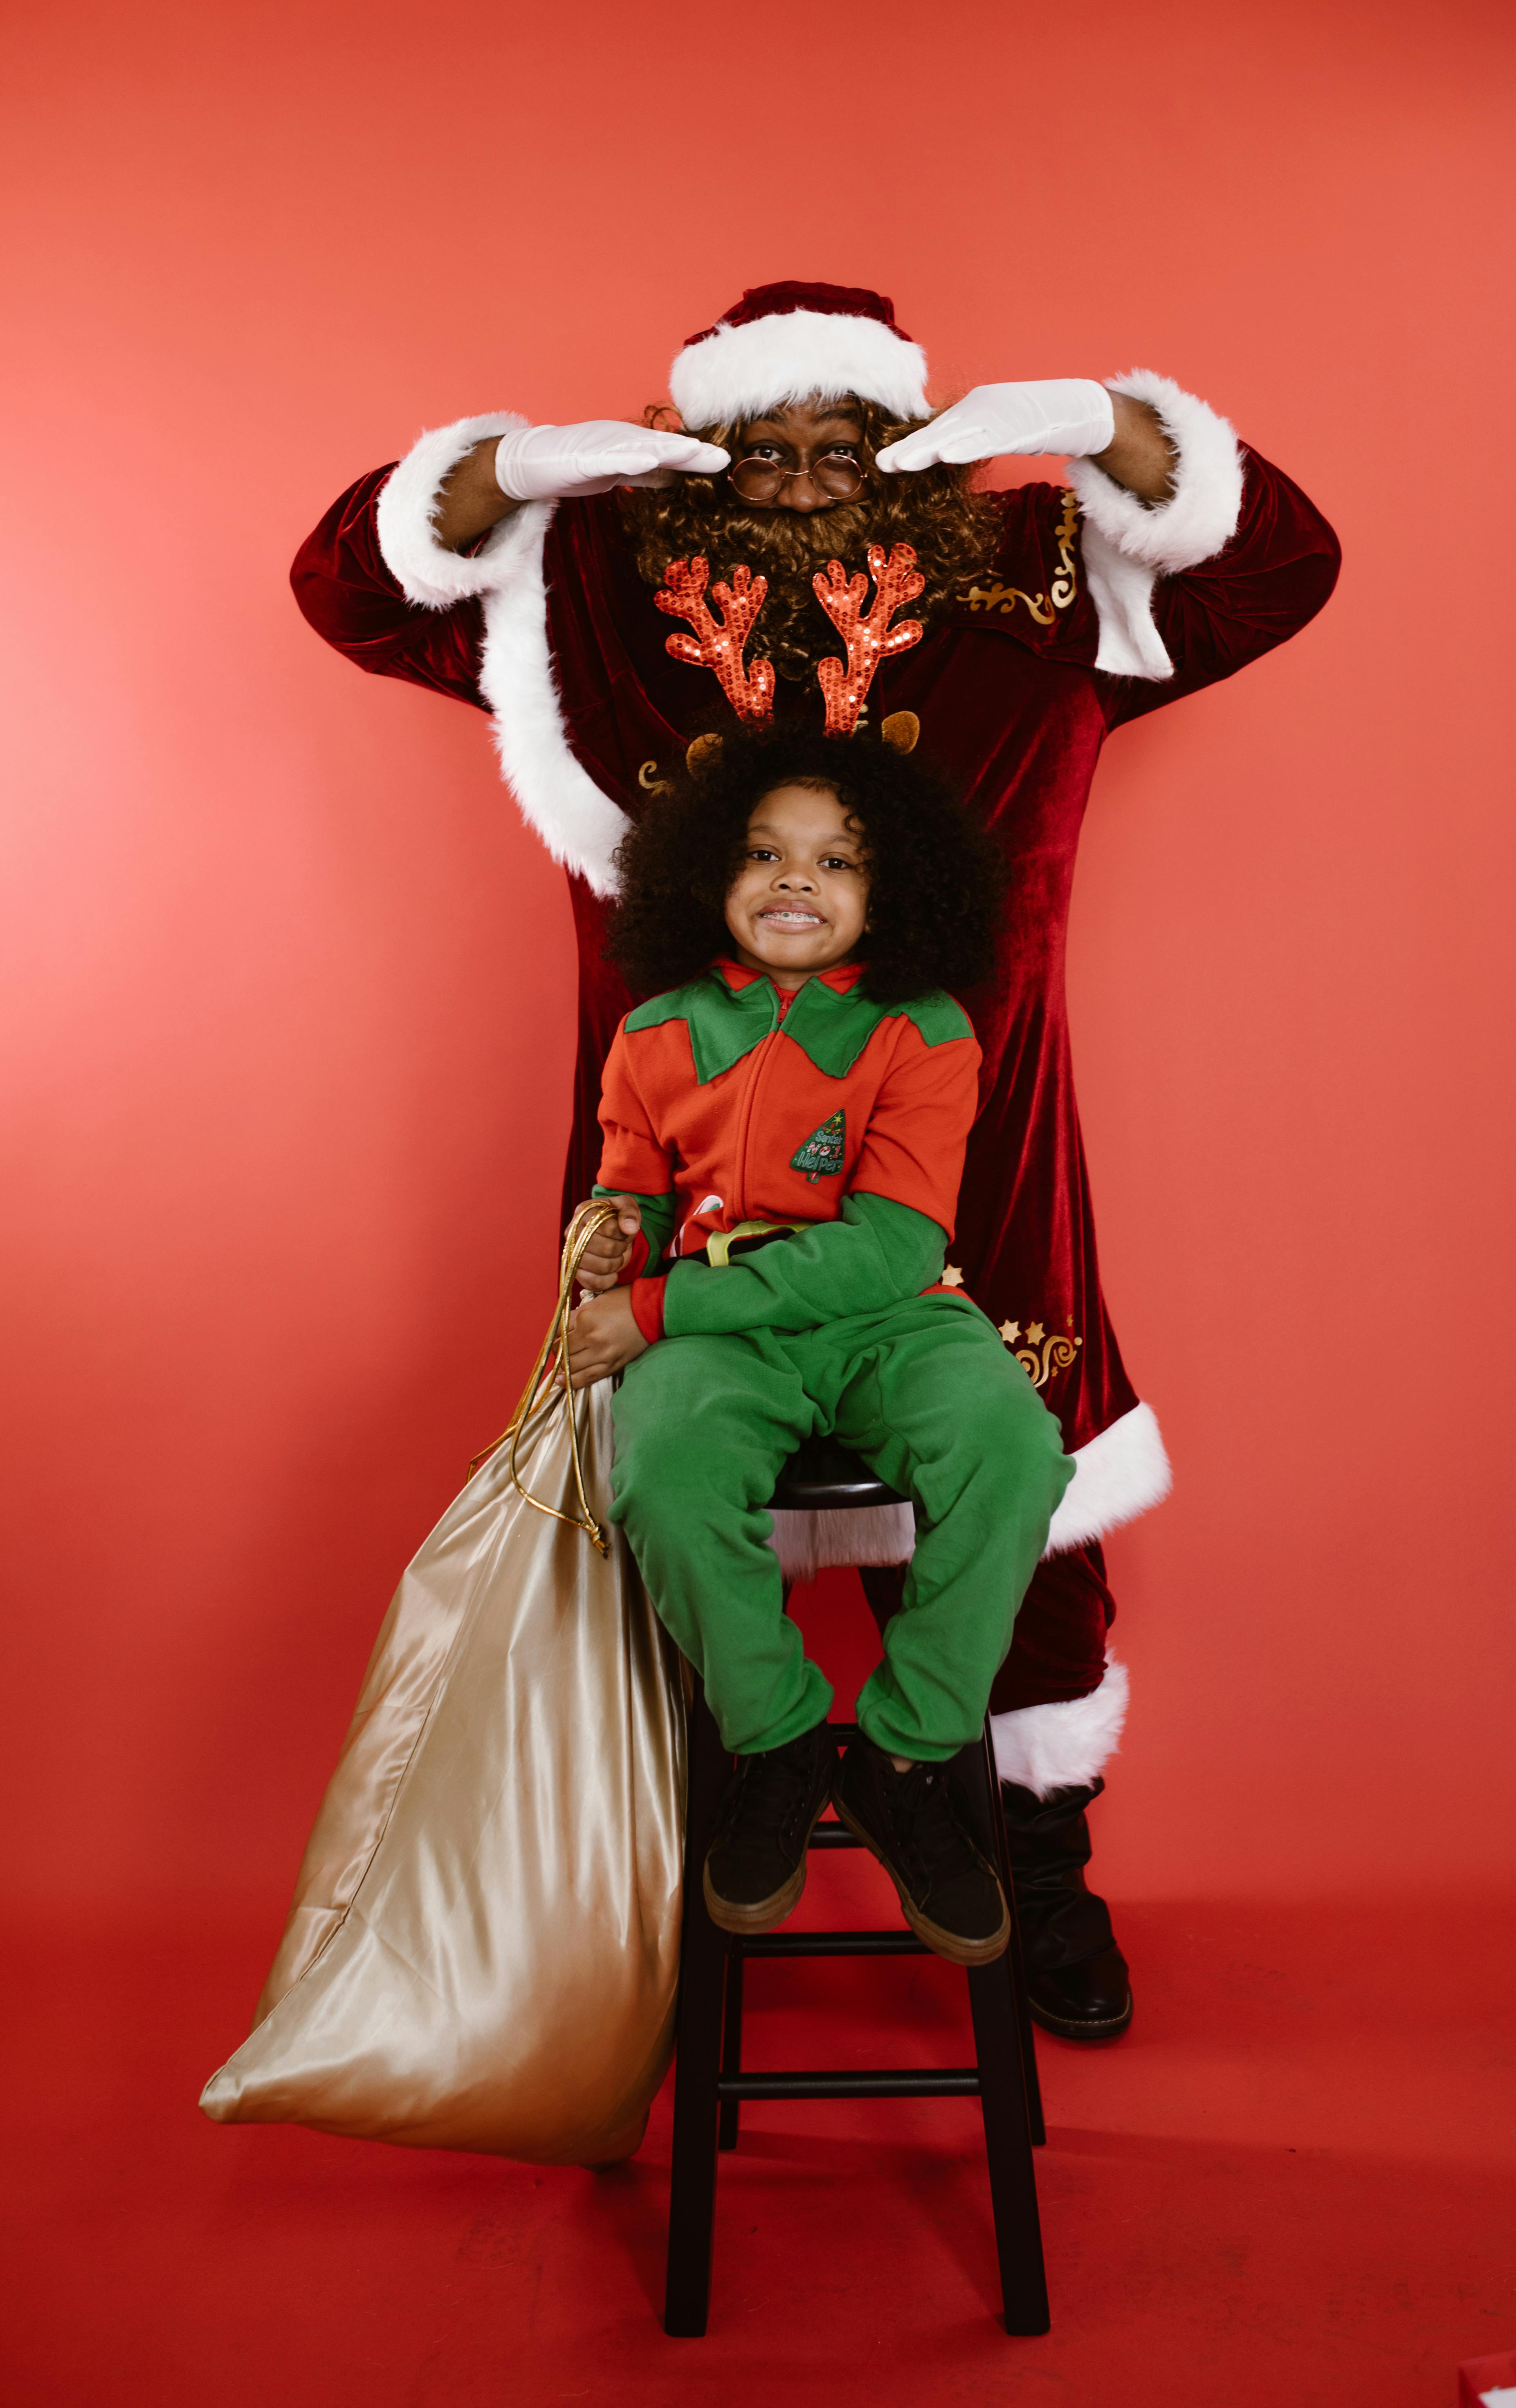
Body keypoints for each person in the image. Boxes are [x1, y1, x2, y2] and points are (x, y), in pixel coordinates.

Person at [292, 278, 1341, 2038]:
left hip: (966, 1139)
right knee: (670, 1483)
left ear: (906, 446)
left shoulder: (1032, 575)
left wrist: (1092, 420)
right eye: (755, 449)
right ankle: (716, 1814)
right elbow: (354, 583)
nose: (796, 482)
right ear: (698, 452)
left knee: (1027, 1469)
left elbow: (1273, 565)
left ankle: (1029, 1847)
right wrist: (522, 470)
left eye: (838, 442)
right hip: (689, 1142)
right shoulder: (593, 590)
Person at [562, 723, 1070, 1965]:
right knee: (664, 1470)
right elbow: (628, 1190)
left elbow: (891, 1252)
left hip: (889, 1324)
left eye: (836, 861)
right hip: (727, 1350)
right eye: (765, 854)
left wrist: (661, 1306)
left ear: (890, 889)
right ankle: (778, 1737)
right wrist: (609, 1241)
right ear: (707, 875)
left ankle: (906, 1752)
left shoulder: (926, 1028)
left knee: (1014, 1446)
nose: (797, 880)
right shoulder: (652, 1034)